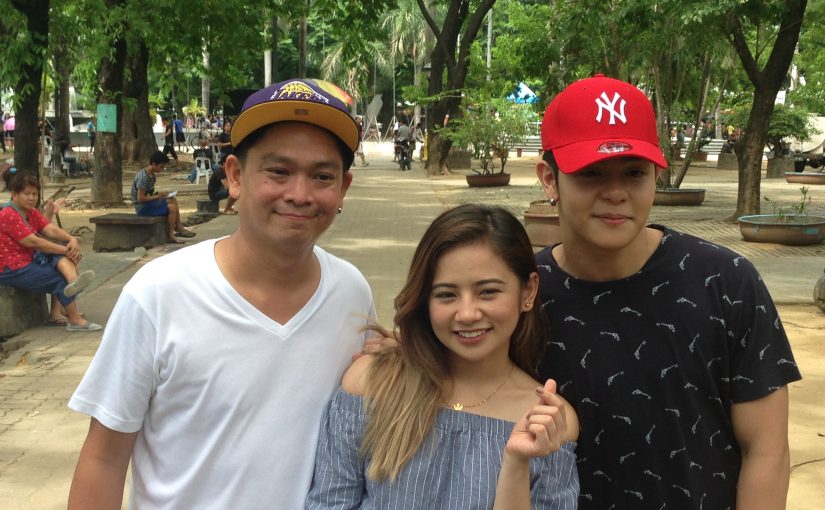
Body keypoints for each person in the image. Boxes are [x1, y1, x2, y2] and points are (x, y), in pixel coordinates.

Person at [67, 78, 375, 509]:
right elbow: (104, 458)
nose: (299, 194)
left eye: (322, 176)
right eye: (278, 172)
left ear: (343, 189)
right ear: (235, 176)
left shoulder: (352, 294)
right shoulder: (159, 294)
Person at [534, 74, 802, 508]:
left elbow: (766, 450)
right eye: (591, 173)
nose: (615, 193)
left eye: (634, 173)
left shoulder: (726, 282)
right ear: (549, 179)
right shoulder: (520, 295)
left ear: (656, 174)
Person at [306, 204, 579, 509]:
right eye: (446, 295)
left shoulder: (548, 421)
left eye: (488, 292)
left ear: (527, 292)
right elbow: (330, 502)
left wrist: (516, 463)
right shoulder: (372, 384)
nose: (467, 314)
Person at [0, 168, 100, 332]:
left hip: (28, 260)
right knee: (58, 277)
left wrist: (71, 239)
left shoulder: (31, 212)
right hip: (10, 268)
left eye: (34, 194)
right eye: (27, 194)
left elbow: (49, 229)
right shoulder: (8, 214)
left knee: (61, 260)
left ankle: (73, 282)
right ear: (14, 194)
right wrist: (65, 249)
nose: (31, 197)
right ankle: (75, 319)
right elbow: (34, 242)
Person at [130, 150, 195, 244]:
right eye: (161, 166)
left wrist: (161, 195)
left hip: (148, 204)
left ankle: (179, 226)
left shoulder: (152, 175)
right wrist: (158, 196)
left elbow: (149, 194)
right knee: (172, 207)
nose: (162, 168)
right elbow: (141, 199)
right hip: (142, 208)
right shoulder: (143, 177)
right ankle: (171, 234)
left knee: (172, 199)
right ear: (153, 164)